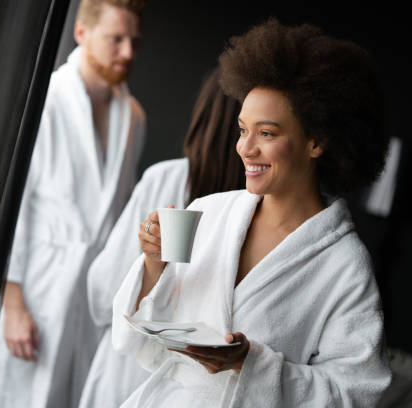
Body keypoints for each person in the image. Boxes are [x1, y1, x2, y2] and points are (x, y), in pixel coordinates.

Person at [112, 18, 392, 407]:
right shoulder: (208, 213)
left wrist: (250, 363)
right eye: (243, 129)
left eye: (267, 133)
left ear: (317, 142)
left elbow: (355, 394)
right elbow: (140, 340)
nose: (245, 148)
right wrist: (153, 264)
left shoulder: (344, 266)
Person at [0, 1, 146, 407]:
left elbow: (121, 209)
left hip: (92, 293)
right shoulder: (48, 98)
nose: (127, 52)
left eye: (134, 41)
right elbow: (15, 204)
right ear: (81, 33)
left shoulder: (134, 117)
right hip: (37, 282)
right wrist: (13, 302)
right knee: (15, 395)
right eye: (116, 39)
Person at [78, 67, 245, 408]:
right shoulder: (254, 208)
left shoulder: (163, 180)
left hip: (127, 374)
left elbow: (101, 291)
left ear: (204, 118)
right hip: (197, 386)